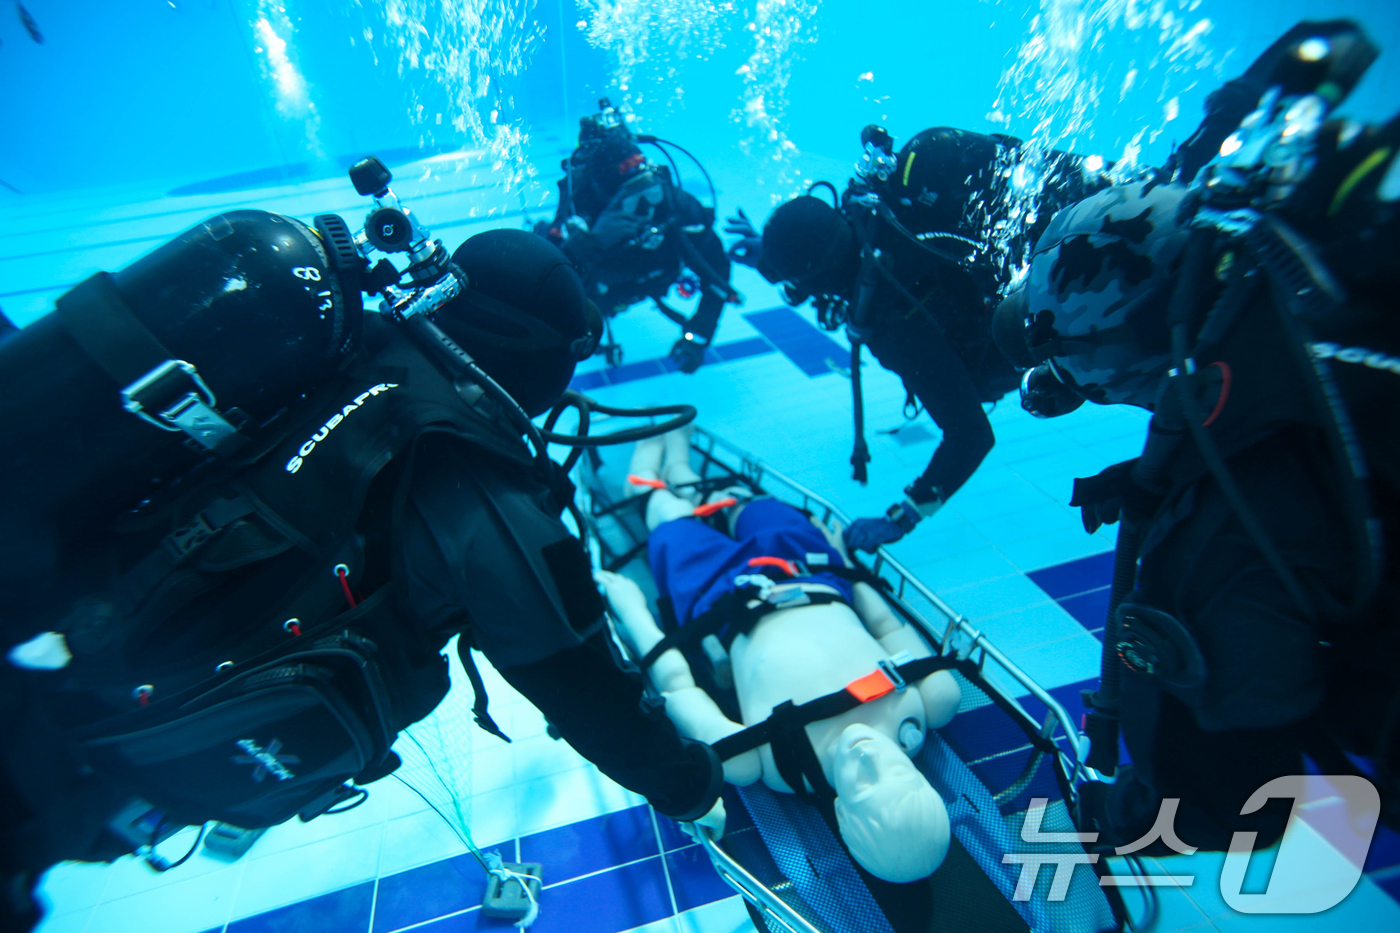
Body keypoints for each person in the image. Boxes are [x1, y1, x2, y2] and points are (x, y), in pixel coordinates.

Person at [0, 209, 723, 930]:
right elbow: (583, 687)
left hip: (53, 631)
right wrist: (691, 787)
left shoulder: (355, 348)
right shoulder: (479, 487)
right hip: (77, 753)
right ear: (539, 361)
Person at [991, 19, 1400, 850]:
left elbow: (1235, 807)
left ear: (1118, 366)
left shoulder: (1211, 545)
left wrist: (1143, 804)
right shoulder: (1238, 232)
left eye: (1079, 380)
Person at [594, 428, 961, 882]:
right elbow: (887, 627)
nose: (870, 757)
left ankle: (649, 479)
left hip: (720, 601)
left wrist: (633, 613)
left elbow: (677, 686)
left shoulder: (775, 764)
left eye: (866, 787)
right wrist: (847, 562)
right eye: (901, 775)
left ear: (843, 820)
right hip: (811, 569)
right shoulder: (929, 704)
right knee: (755, 506)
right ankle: (686, 472)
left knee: (669, 520)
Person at [727, 125, 1110, 554]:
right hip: (1088, 224)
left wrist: (903, 516)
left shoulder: (896, 323)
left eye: (802, 281)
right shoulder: (878, 211)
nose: (802, 294)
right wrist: (770, 253)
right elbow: (817, 248)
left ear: (822, 275)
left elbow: (971, 435)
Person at [536, 100, 738, 373]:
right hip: (599, 291)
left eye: (647, 187)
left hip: (641, 282)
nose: (645, 204)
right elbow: (542, 284)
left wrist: (698, 338)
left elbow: (716, 273)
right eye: (629, 198)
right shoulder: (576, 222)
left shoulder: (678, 210)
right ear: (605, 197)